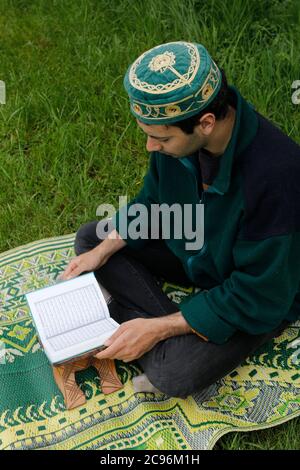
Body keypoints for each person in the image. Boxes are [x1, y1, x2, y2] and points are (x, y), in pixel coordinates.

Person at [61, 41, 300, 398]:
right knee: (94, 239)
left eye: (160, 138)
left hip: (258, 291)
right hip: (196, 248)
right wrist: (102, 252)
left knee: (174, 374)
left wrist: (158, 328)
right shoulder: (180, 140)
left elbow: (258, 291)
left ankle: (138, 328)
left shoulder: (277, 176)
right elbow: (154, 202)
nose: (150, 147)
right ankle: (149, 331)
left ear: (205, 123)